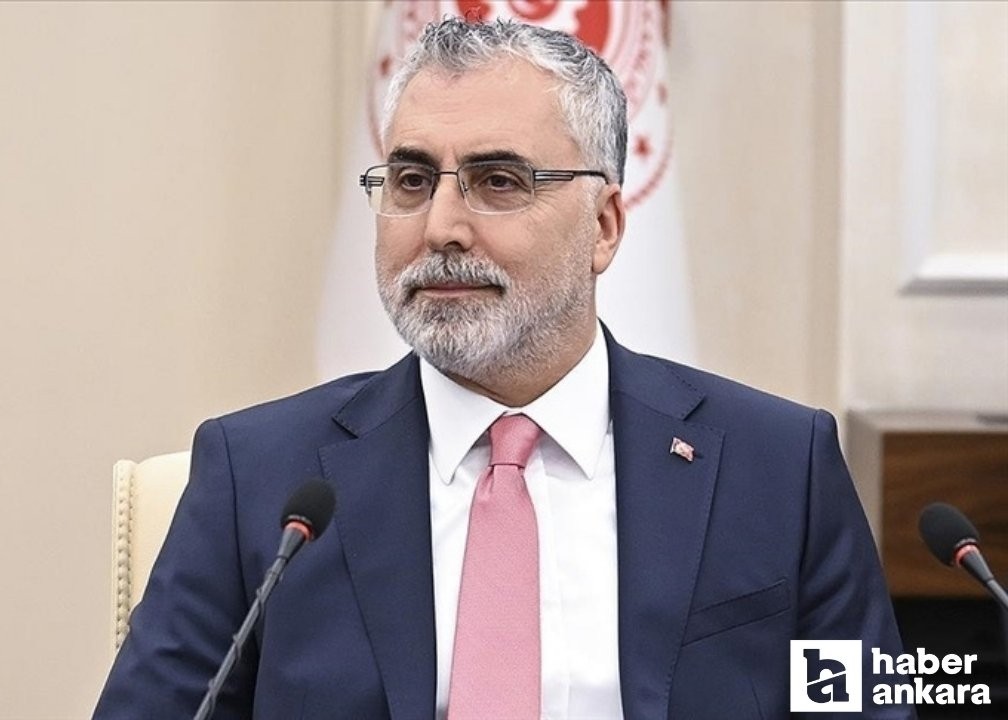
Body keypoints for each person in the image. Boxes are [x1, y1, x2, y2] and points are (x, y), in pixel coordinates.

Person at [95, 18, 912, 719]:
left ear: (603, 226)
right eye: (412, 180)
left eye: (498, 181)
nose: (441, 226)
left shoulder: (778, 469)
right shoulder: (262, 478)